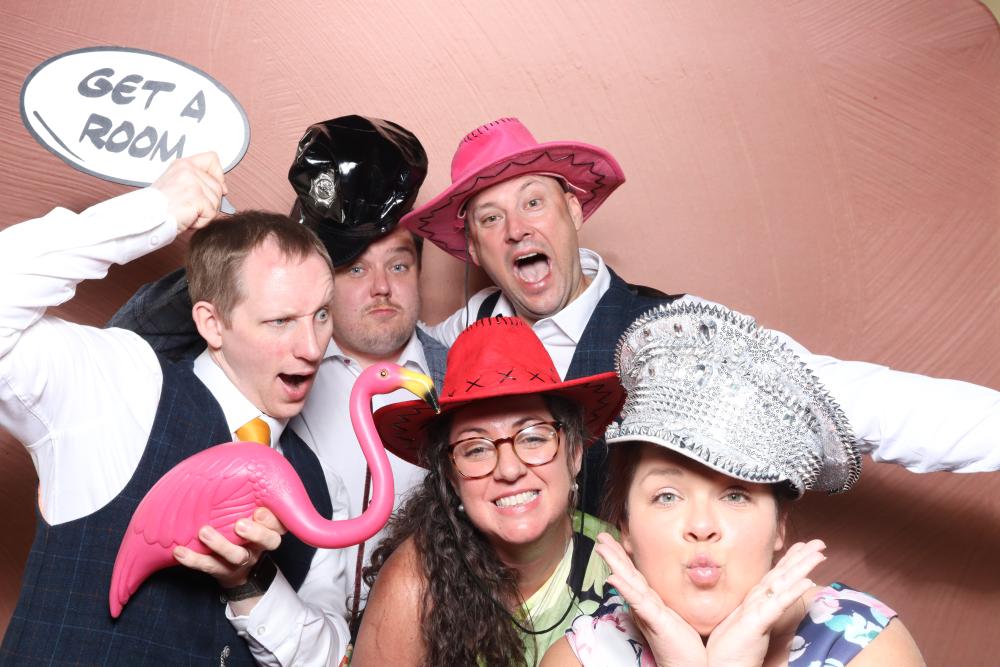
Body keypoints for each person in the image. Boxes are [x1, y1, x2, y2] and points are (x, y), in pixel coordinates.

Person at [407, 117, 1000, 515]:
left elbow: (850, 397)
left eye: (533, 202)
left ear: (574, 210)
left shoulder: (674, 330)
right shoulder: (452, 339)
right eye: (490, 218)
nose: (517, 229)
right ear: (475, 249)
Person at [0, 154, 351, 666]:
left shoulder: (322, 488)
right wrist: (153, 211)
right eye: (280, 321)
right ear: (211, 324)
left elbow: (331, 656)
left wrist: (249, 582)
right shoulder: (122, 388)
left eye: (321, 315)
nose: (313, 348)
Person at [107, 116, 449, 618]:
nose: (381, 286)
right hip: (272, 618)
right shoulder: (270, 365)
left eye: (398, 265)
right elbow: (126, 343)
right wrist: (261, 254)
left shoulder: (457, 371)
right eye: (354, 265)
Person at [541, 302, 924, 666]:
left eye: (736, 495)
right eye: (667, 496)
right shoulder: (581, 657)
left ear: (779, 525)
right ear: (625, 526)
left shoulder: (862, 644)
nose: (702, 526)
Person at [350, 316, 626, 666]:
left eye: (533, 438)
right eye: (476, 448)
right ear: (452, 478)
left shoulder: (624, 566)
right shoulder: (414, 584)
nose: (509, 470)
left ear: (573, 454)